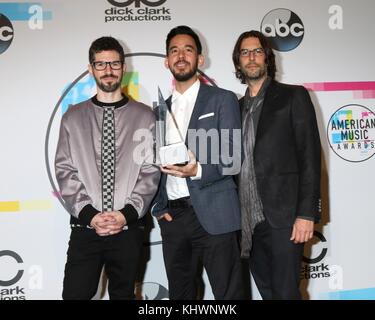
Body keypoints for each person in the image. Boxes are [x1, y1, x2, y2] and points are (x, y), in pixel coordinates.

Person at [55, 36, 160, 300]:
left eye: (114, 63)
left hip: (129, 230)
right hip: (85, 230)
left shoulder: (145, 116)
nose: (108, 70)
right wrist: (90, 215)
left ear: (124, 68)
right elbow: (64, 170)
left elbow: (150, 171)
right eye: (101, 64)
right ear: (91, 69)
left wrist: (125, 214)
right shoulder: (73, 117)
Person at [151, 25, 243, 300]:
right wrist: (158, 206)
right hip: (174, 219)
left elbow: (234, 158)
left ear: (200, 59)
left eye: (188, 49)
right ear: (167, 61)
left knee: (229, 296)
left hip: (216, 213)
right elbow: (153, 162)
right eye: (174, 50)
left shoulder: (223, 99)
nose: (181, 55)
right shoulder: (158, 110)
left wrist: (198, 169)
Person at [232, 30, 321, 300]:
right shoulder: (233, 108)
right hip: (247, 222)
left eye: (257, 51)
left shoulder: (294, 97)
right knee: (268, 292)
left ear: (267, 58)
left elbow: (310, 157)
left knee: (285, 293)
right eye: (245, 53)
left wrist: (306, 213)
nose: (251, 57)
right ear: (238, 62)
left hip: (283, 218)